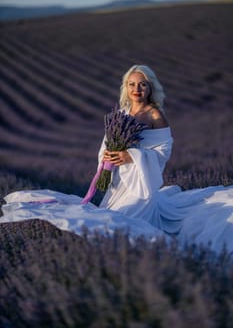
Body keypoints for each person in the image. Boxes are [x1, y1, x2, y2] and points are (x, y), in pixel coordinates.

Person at [1, 65, 233, 254]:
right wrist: (108, 156)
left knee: (128, 222)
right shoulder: (121, 113)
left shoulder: (154, 114)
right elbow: (107, 141)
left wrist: (130, 155)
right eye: (132, 84)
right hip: (119, 180)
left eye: (142, 84)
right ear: (126, 87)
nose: (137, 89)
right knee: (113, 217)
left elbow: (164, 150)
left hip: (140, 183)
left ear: (150, 87)